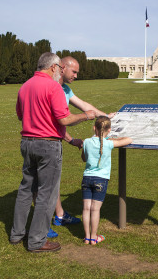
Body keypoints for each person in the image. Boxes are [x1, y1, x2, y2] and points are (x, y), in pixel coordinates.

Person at [9, 52, 96, 253]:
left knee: (25, 190)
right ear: (53, 67)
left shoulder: (25, 86)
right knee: (47, 194)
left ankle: (17, 234)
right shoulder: (53, 86)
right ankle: (37, 241)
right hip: (47, 145)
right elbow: (64, 119)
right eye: (60, 68)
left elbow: (20, 115)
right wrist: (86, 115)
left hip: (27, 143)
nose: (61, 72)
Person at [51, 56, 116, 231]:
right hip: (47, 141)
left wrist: (105, 117)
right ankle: (42, 225)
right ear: (62, 68)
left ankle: (59, 215)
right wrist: (72, 140)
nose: (76, 76)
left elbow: (84, 105)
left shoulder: (65, 89)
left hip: (55, 140)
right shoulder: (51, 89)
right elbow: (56, 121)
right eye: (74, 72)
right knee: (46, 184)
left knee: (53, 182)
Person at [81, 116, 132, 245]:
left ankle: (86, 237)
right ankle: (94, 237)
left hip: (87, 178)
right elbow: (128, 139)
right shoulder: (109, 144)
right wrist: (111, 138)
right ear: (109, 130)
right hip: (101, 179)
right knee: (95, 210)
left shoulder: (86, 141)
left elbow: (84, 158)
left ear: (94, 128)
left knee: (86, 209)